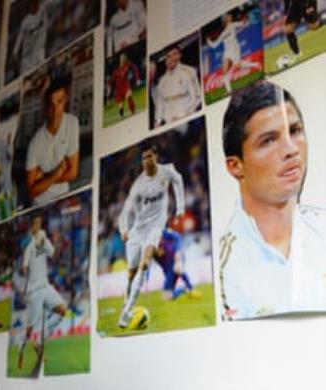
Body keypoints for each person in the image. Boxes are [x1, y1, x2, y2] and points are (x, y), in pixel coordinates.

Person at [219, 80, 326, 320]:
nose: (291, 149)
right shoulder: (227, 265)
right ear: (236, 166)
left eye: (295, 131)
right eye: (268, 140)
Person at [117, 143, 184, 328]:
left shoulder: (167, 172)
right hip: (137, 231)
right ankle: (126, 301)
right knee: (130, 273)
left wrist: (180, 207)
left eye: (149, 157)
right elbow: (125, 212)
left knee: (144, 264)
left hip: (155, 229)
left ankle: (125, 314)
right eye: (144, 158)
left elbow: (178, 180)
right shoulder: (138, 185)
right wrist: (123, 230)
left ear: (156, 157)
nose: (147, 161)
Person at [17, 215, 67, 370]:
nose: (38, 226)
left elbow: (53, 254)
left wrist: (56, 241)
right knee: (30, 330)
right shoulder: (29, 247)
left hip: (45, 286)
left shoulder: (44, 239)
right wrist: (25, 269)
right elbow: (24, 267)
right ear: (31, 227)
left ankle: (39, 340)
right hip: (34, 292)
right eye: (36, 224)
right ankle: (20, 349)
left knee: (62, 310)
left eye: (40, 223)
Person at [25, 76, 80, 205]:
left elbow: (72, 173)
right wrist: (57, 173)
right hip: (41, 203)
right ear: (46, 107)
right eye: (51, 105)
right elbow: (32, 190)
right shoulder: (35, 143)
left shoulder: (72, 123)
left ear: (66, 99)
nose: (56, 111)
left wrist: (44, 179)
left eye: (60, 102)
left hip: (64, 197)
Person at [206, 12, 260, 93]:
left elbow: (242, 23)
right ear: (224, 20)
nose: (230, 18)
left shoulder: (232, 25)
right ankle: (229, 91)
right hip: (227, 52)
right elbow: (214, 45)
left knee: (238, 65)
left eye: (230, 17)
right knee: (224, 71)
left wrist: (245, 20)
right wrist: (208, 41)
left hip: (235, 49)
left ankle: (256, 64)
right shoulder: (222, 33)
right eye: (228, 17)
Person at [153, 46, 202, 127]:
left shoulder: (189, 71)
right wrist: (158, 122)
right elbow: (160, 105)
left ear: (180, 55)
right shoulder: (162, 81)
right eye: (168, 56)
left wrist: (184, 116)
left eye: (174, 54)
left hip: (187, 120)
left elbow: (197, 98)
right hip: (169, 124)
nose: (171, 58)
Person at [11, 0, 58, 76]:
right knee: (27, 80)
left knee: (41, 77)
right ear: (31, 5)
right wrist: (15, 52)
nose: (37, 6)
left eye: (38, 4)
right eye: (35, 4)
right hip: (27, 58)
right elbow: (20, 38)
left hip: (39, 54)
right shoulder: (26, 21)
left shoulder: (43, 13)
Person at [153, 228, 199, 301]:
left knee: (178, 268)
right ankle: (184, 289)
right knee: (166, 297)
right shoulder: (148, 244)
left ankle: (191, 288)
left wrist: (178, 250)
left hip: (176, 257)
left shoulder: (163, 231)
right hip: (167, 266)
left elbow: (177, 237)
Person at [280, 0, 323, 66]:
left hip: (308, 2)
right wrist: (286, 13)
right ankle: (297, 54)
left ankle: (324, 19)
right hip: (296, 4)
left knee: (313, 26)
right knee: (288, 29)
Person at [108, 52, 141, 118]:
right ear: (120, 60)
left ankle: (133, 112)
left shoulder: (128, 65)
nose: (123, 60)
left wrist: (138, 79)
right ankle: (121, 114)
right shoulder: (116, 71)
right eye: (122, 58)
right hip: (119, 90)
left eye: (124, 58)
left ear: (126, 59)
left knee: (129, 96)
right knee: (121, 105)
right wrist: (109, 95)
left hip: (126, 86)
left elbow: (135, 69)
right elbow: (111, 82)